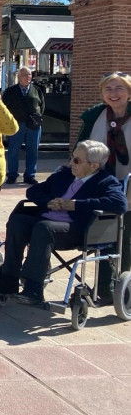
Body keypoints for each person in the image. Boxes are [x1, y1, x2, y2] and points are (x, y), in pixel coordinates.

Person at [0, 140, 127, 305]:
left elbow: (119, 203)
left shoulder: (105, 181)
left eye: (77, 160)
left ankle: (33, 288)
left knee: (44, 228)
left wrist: (75, 205)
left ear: (94, 165)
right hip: (46, 221)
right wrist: (48, 201)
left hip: (77, 229)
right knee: (18, 221)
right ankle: (8, 280)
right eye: (72, 158)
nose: (71, 163)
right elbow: (33, 190)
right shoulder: (65, 175)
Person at [77, 71, 131, 281]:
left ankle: (122, 283)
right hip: (101, 185)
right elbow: (81, 148)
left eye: (119, 88)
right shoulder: (95, 116)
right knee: (103, 233)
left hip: (128, 185)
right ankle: (105, 285)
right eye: (108, 88)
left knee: (124, 235)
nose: (113, 93)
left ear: (128, 92)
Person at [3, 67, 46, 184]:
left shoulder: (37, 90)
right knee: (13, 150)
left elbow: (42, 106)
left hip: (33, 125)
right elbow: (4, 107)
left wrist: (37, 118)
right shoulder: (10, 91)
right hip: (16, 124)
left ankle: (30, 175)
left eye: (30, 75)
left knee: (32, 150)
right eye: (25, 75)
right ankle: (12, 174)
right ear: (19, 76)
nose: (28, 77)